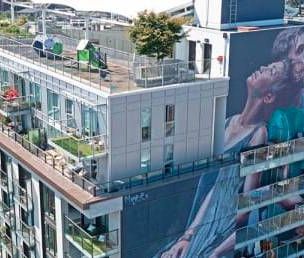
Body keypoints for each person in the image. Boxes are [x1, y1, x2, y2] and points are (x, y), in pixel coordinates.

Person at [158, 60, 299, 258]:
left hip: (220, 228)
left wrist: (213, 249)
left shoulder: (259, 135)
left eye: (272, 70)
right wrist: (188, 236)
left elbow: (245, 209)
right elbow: (216, 189)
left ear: (269, 96)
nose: (262, 67)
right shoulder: (227, 122)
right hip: (203, 221)